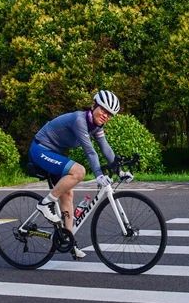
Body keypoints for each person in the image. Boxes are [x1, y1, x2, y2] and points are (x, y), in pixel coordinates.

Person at [29, 89, 122, 259]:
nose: (105, 116)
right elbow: (90, 151)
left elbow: (105, 148)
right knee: (79, 171)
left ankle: (69, 242)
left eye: (110, 114)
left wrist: (120, 169)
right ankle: (45, 203)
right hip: (41, 149)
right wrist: (99, 174)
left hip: (56, 153)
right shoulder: (80, 120)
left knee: (68, 194)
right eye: (103, 110)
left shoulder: (97, 126)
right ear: (94, 105)